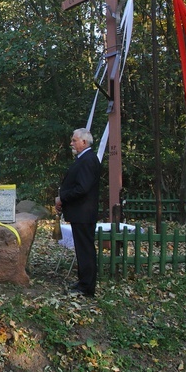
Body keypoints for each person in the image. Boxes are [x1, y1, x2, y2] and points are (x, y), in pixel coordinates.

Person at [55, 128, 102, 298]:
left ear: (84, 142)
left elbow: (82, 188)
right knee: (82, 249)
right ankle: (84, 281)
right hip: (80, 212)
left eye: (74, 140)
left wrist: (62, 198)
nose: (71, 143)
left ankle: (87, 287)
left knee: (85, 250)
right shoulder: (83, 158)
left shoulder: (88, 160)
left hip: (83, 212)